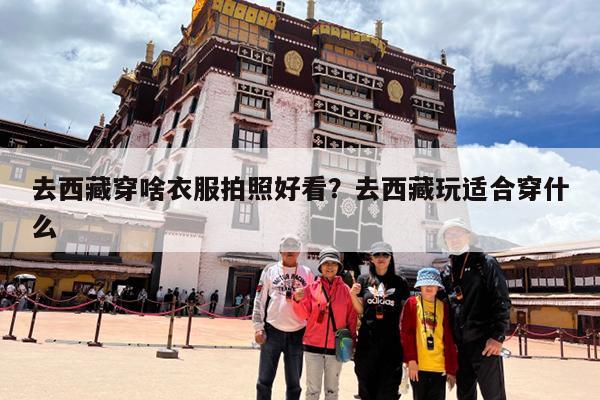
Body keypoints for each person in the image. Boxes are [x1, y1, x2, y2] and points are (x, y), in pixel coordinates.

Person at [438, 218, 511, 400]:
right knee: (464, 395)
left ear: (468, 236)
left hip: (485, 343)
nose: (454, 238)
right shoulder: (447, 270)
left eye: (458, 233)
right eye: (449, 235)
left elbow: (501, 299)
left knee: (493, 395)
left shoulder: (485, 263)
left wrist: (497, 337)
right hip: (460, 347)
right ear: (444, 240)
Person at [253, 234, 314, 400]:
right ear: (280, 251)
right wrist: (258, 327)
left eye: (294, 247)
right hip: (272, 331)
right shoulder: (270, 270)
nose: (290, 251)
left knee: (294, 384)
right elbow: (259, 299)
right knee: (264, 381)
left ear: (299, 251)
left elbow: (313, 302)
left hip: (298, 333)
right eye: (286, 247)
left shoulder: (307, 272)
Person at [292, 247, 357, 400]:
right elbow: (303, 314)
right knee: (312, 391)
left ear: (339, 267)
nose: (330, 267)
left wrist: (353, 341)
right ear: (320, 266)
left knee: (332, 390)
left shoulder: (346, 290)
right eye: (326, 263)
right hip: (312, 347)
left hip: (337, 348)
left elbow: (351, 318)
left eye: (333, 263)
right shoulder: (310, 289)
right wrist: (297, 300)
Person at [352, 241, 410, 400]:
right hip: (367, 343)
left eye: (385, 254)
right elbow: (360, 311)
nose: (381, 258)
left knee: (388, 392)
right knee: (366, 390)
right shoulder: (363, 279)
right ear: (371, 258)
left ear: (391, 258)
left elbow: (405, 314)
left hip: (391, 344)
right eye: (377, 254)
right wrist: (352, 295)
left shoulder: (400, 282)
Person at [401, 267, 458, 400]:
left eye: (432, 285)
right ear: (419, 287)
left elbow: (449, 339)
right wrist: (411, 360)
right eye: (425, 284)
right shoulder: (412, 303)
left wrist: (451, 369)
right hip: (418, 366)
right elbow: (406, 334)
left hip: (439, 367)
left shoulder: (443, 306)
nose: (429, 287)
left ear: (438, 288)